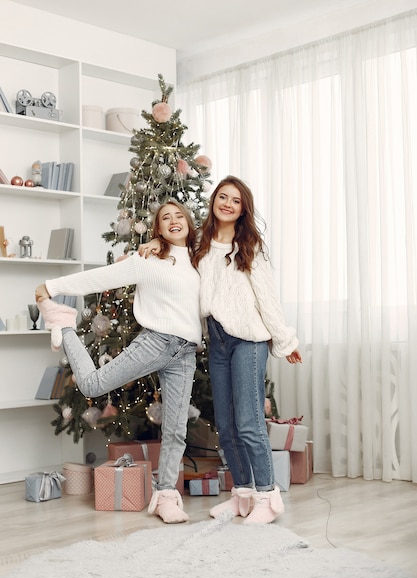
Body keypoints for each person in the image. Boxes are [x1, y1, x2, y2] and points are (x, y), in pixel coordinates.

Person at [140, 176, 302, 525]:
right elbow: (174, 246)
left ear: (243, 209)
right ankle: (242, 494)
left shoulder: (249, 246)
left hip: (248, 340)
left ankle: (267, 498)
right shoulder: (201, 242)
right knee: (226, 427)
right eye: (222, 197)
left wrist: (285, 340)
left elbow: (267, 299)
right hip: (217, 339)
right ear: (214, 201)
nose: (227, 203)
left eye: (236, 200)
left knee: (248, 423)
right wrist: (155, 242)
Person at [35, 200, 201, 524]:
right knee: (92, 383)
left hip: (185, 353)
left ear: (189, 222)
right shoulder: (147, 259)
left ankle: (166, 497)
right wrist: (52, 287)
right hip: (155, 341)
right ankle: (65, 322)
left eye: (179, 215)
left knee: (176, 430)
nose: (173, 220)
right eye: (165, 218)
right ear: (158, 229)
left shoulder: (200, 259)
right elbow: (101, 278)